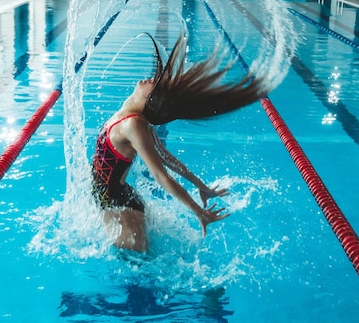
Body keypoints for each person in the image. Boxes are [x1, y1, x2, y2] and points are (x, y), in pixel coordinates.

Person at [91, 31, 272, 252]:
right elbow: (165, 156)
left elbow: (160, 174)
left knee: (138, 271)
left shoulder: (134, 125)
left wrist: (198, 210)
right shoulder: (135, 117)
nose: (152, 79)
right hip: (115, 200)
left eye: (155, 85)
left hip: (120, 205)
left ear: (151, 100)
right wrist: (201, 186)